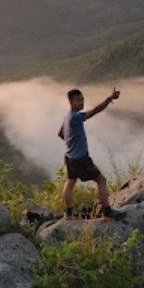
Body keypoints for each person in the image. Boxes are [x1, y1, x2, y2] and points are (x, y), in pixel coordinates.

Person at [57, 87, 126, 221]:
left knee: (70, 182)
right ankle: (107, 212)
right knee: (101, 180)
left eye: (82, 100)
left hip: (69, 157)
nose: (81, 103)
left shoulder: (67, 116)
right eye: (78, 100)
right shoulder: (76, 117)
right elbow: (95, 111)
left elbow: (60, 134)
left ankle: (69, 213)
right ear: (70, 102)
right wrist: (109, 99)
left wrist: (72, 143)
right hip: (81, 159)